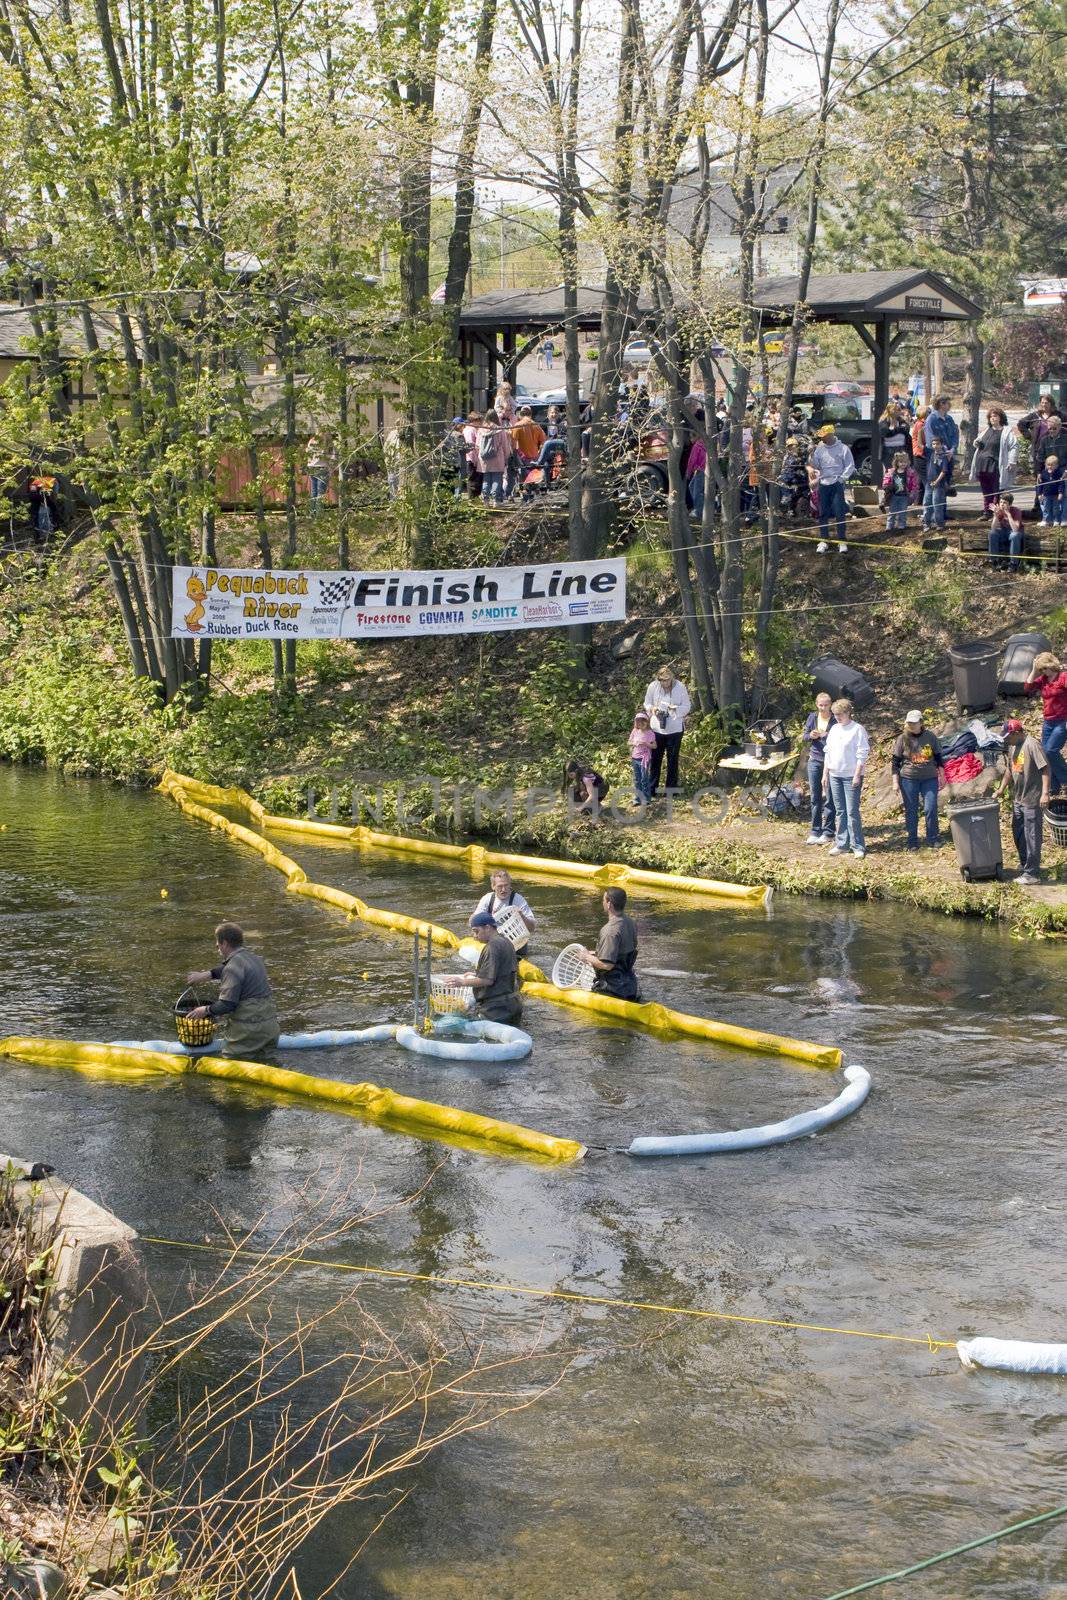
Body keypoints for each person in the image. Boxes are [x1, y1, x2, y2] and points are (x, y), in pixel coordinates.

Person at [186, 923, 280, 1059]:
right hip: (270, 1029)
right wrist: (207, 975)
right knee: (267, 1065)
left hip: (249, 1033)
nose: (216, 947)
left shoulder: (231, 968)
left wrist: (205, 1010)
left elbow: (227, 1004)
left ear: (224, 943)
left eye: (217, 943)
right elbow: (232, 967)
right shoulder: (255, 959)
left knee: (231, 1065)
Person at [995, 719, 1051, 886]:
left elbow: (1046, 768)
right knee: (1018, 832)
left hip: (1032, 799)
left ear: (1016, 733)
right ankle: (1026, 863)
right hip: (1018, 799)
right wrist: (1001, 788)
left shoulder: (1032, 745)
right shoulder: (1013, 746)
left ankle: (1032, 874)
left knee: (1032, 836)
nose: (1006, 740)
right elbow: (1009, 770)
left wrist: (1045, 794)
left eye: (1008, 737)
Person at [446, 912, 523, 1024]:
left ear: (487, 927)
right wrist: (476, 975)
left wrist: (462, 982)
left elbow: (487, 980)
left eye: (476, 931)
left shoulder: (492, 947)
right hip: (512, 1004)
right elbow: (500, 972)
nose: (474, 936)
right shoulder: (506, 941)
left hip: (497, 1010)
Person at [890, 709, 945, 850]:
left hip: (929, 778)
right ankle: (912, 841)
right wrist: (895, 782)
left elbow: (939, 758)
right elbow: (895, 762)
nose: (912, 725)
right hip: (908, 779)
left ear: (921, 722)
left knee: (930, 808)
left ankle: (933, 838)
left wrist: (942, 776)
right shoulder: (902, 739)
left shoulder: (930, 737)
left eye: (914, 723)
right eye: (909, 723)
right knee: (911, 810)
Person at [822, 698, 869, 858]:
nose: (837, 717)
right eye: (835, 714)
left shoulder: (857, 729)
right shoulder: (834, 729)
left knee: (852, 812)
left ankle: (858, 846)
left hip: (851, 776)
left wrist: (857, 775)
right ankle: (842, 844)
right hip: (835, 774)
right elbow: (828, 751)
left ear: (848, 712)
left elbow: (862, 753)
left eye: (840, 714)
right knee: (840, 811)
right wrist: (825, 773)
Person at [576, 887, 640, 1001]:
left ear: (609, 903)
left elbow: (607, 965)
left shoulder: (609, 931)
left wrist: (586, 956)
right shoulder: (631, 923)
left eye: (603, 900)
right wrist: (595, 953)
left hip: (612, 991)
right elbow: (624, 951)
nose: (602, 903)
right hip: (631, 986)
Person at [643, 664, 692, 795]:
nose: (664, 682)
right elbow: (647, 702)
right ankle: (651, 789)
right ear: (658, 679)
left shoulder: (680, 687)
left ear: (672, 678)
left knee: (672, 760)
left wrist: (674, 709)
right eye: (662, 680)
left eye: (667, 679)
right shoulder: (653, 686)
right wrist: (652, 709)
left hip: (675, 729)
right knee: (655, 759)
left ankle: (671, 790)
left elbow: (687, 706)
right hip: (656, 729)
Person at [1024, 652, 1067, 795]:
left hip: (1062, 721)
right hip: (1048, 722)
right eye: (1040, 669)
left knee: (1050, 750)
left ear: (1051, 665)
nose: (1043, 672)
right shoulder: (1043, 679)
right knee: (1044, 754)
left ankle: (1065, 780)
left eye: (1044, 668)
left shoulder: (1063, 677)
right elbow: (1027, 687)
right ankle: (1053, 786)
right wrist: (1034, 669)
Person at [809, 423, 855, 554]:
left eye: (824, 436)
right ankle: (824, 540)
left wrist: (841, 479)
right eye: (821, 436)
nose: (822, 439)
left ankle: (842, 540)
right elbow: (816, 465)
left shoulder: (843, 448)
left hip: (837, 483)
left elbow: (850, 465)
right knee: (823, 513)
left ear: (831, 434)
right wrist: (812, 457)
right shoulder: (820, 449)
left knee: (839, 512)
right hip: (823, 483)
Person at [474, 869, 536, 957]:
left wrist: (521, 916)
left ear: (510, 885)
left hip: (517, 945)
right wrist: (487, 918)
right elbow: (473, 923)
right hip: (493, 945)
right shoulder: (487, 899)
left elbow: (532, 928)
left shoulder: (518, 900)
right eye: (500, 886)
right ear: (493, 886)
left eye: (506, 885)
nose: (504, 889)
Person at [802, 691, 836, 845]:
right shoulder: (812, 717)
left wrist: (827, 735)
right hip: (815, 759)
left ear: (830, 704)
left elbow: (841, 737)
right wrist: (812, 735)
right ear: (817, 705)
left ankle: (829, 831)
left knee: (830, 797)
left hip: (831, 761)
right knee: (815, 797)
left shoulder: (836, 719)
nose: (823, 708)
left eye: (826, 705)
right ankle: (815, 830)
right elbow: (804, 736)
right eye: (820, 705)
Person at [968, 406, 1015, 512]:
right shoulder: (986, 430)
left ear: (1000, 417)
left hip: (995, 465)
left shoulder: (1006, 432)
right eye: (991, 417)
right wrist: (976, 443)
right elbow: (977, 442)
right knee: (986, 491)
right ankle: (987, 512)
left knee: (997, 490)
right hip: (982, 465)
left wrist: (1012, 461)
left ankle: (997, 512)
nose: (992, 418)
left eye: (995, 416)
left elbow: (1014, 447)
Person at [476, 409, 511, 505]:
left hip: (484, 459)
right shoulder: (500, 430)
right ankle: (496, 501)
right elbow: (505, 446)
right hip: (497, 458)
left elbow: (477, 445)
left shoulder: (481, 430)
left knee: (486, 479)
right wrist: (507, 457)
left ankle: (485, 500)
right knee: (497, 479)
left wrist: (477, 458)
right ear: (496, 417)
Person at [923, 396, 959, 484]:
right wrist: (944, 451)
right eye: (947, 403)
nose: (949, 405)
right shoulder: (931, 419)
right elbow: (930, 440)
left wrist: (952, 450)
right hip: (936, 456)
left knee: (946, 484)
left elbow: (955, 435)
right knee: (934, 485)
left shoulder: (949, 419)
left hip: (949, 456)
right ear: (941, 404)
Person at [881, 451, 919, 532]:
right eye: (901, 462)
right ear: (896, 462)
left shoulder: (910, 472)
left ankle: (902, 526)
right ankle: (889, 526)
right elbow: (886, 480)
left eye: (905, 462)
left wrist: (913, 494)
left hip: (904, 496)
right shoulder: (891, 472)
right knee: (892, 512)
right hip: (893, 496)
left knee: (903, 512)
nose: (903, 464)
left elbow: (915, 485)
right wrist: (886, 486)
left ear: (908, 462)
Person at [988, 493, 1026, 572]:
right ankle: (994, 561)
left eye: (1004, 502)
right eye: (1001, 502)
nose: (1002, 504)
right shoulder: (999, 511)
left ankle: (1013, 564)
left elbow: (1015, 529)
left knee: (1014, 535)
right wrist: (995, 515)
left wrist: (1008, 515)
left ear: (1010, 504)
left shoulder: (1016, 511)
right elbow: (993, 528)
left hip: (1015, 532)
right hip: (1004, 531)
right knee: (992, 533)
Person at [628, 709, 656, 802]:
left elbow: (655, 746)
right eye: (638, 721)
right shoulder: (635, 731)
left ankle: (647, 798)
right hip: (635, 758)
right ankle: (637, 798)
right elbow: (629, 742)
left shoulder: (650, 733)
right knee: (637, 779)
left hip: (644, 758)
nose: (640, 723)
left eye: (642, 721)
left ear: (646, 722)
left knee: (644, 779)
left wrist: (646, 743)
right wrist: (635, 743)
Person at [922, 436, 949, 530]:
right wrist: (920, 430)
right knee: (927, 503)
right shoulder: (931, 454)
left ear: (941, 445)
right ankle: (926, 523)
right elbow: (920, 445)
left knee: (936, 504)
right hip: (929, 483)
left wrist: (937, 481)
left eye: (937, 444)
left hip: (938, 485)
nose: (935, 446)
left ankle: (939, 524)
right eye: (933, 444)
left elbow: (944, 471)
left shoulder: (944, 457)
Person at [878, 402, 911, 470]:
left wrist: (894, 430)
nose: (900, 411)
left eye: (899, 409)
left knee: (901, 471)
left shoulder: (901, 420)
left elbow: (906, 429)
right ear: (891, 411)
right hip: (888, 451)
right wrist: (899, 430)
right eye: (897, 409)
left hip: (902, 449)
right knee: (890, 472)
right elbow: (886, 433)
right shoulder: (883, 421)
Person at [1037, 453, 1066, 527]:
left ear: (1056, 466)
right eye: (1048, 465)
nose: (1050, 467)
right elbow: (1040, 485)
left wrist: (1060, 493)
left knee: (1056, 508)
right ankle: (1047, 520)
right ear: (1045, 465)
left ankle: (1056, 520)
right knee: (1046, 508)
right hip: (1046, 495)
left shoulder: (1059, 473)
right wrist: (1039, 494)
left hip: (1055, 494)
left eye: (1052, 465)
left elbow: (1061, 484)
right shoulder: (1043, 473)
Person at [443, 417, 468, 500]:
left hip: (450, 461)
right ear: (459, 426)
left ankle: (450, 499)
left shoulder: (447, 435)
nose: (464, 427)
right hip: (460, 461)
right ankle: (457, 500)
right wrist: (472, 447)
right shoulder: (459, 435)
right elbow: (463, 448)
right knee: (459, 481)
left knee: (451, 481)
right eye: (463, 425)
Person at [307, 436, 335, 509]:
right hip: (322, 467)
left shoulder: (312, 440)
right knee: (321, 494)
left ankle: (312, 514)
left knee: (314, 492)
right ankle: (319, 516)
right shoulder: (328, 441)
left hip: (311, 467)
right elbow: (333, 457)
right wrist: (331, 469)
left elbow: (307, 454)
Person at [463, 412, 484, 498]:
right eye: (479, 421)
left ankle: (475, 497)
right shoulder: (470, 430)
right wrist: (475, 460)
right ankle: (472, 498)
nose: (480, 423)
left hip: (475, 457)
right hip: (472, 458)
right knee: (472, 479)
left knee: (477, 479)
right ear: (474, 421)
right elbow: (471, 446)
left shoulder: (473, 429)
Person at [686, 435, 708, 520]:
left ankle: (699, 512)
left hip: (701, 470)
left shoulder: (697, 445)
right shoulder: (706, 443)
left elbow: (692, 460)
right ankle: (701, 508)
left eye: (691, 437)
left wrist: (688, 472)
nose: (690, 440)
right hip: (705, 469)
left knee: (696, 492)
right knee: (691, 486)